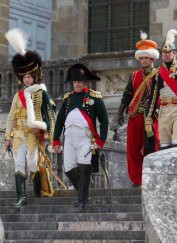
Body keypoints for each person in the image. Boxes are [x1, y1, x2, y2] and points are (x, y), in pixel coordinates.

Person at [4, 28, 56, 207]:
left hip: (33, 134)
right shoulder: (18, 95)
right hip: (18, 133)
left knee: (32, 163)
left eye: (29, 76)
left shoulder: (41, 93)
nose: (26, 80)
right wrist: (7, 137)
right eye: (24, 77)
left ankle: (36, 193)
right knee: (18, 164)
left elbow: (50, 114)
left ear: (34, 77)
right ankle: (22, 197)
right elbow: (10, 117)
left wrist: (44, 131)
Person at [53, 63, 109, 212]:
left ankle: (81, 201)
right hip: (69, 139)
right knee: (68, 168)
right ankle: (84, 193)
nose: (77, 84)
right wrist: (56, 140)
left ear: (84, 82)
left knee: (84, 167)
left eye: (79, 82)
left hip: (86, 138)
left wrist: (100, 140)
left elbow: (104, 120)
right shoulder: (68, 99)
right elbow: (59, 121)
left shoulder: (94, 97)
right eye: (74, 82)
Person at [117, 32, 160, 186]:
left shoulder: (159, 75)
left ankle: (151, 178)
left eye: (146, 58)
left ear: (153, 59)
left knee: (152, 146)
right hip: (135, 116)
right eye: (141, 58)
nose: (143, 61)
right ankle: (137, 179)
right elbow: (126, 95)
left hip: (151, 117)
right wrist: (120, 112)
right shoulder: (134, 76)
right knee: (132, 149)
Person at [147, 29, 177, 149]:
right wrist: (148, 118)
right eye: (164, 52)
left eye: (169, 52)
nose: (166, 54)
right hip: (163, 112)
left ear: (174, 53)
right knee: (164, 146)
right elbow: (153, 97)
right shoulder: (157, 74)